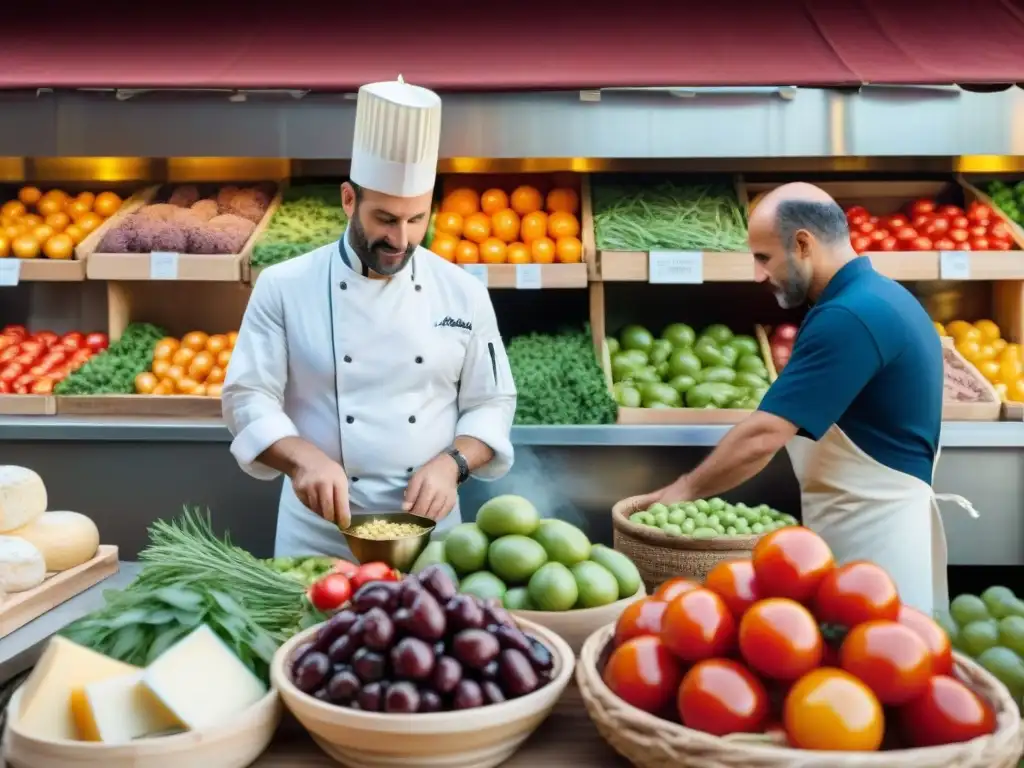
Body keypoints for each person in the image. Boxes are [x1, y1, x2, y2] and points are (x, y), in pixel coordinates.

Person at [621, 182, 976, 616]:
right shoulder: (881, 297)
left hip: (875, 552)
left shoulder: (850, 316)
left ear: (803, 244)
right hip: (870, 542)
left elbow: (764, 435)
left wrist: (684, 491)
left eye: (763, 257)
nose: (757, 274)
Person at [223, 77, 517, 558]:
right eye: (385, 219)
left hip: (434, 533)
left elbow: (493, 401)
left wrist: (454, 464)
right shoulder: (284, 285)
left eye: (416, 219)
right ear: (348, 200)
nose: (401, 240)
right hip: (318, 532)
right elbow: (246, 396)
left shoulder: (463, 292)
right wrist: (302, 461)